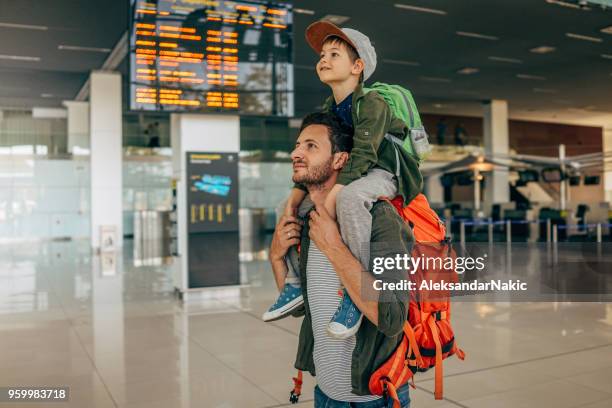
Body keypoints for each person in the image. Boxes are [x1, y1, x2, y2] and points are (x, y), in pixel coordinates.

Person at [262, 21, 423, 339]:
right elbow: (323, 159)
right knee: (290, 205)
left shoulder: (372, 103)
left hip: (384, 172)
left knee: (349, 199)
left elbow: (363, 155)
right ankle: (294, 284)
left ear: (357, 66)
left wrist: (333, 194)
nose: (323, 59)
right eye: (322, 54)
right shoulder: (329, 109)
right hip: (354, 174)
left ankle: (357, 290)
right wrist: (294, 200)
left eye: (334, 53)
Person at [269, 112, 412, 407]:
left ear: (340, 160)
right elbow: (304, 309)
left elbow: (393, 318)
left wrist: (334, 246)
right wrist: (276, 257)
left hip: (374, 399)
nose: (296, 153)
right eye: (298, 146)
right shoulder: (308, 220)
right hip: (325, 394)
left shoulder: (380, 219)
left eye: (311, 146)